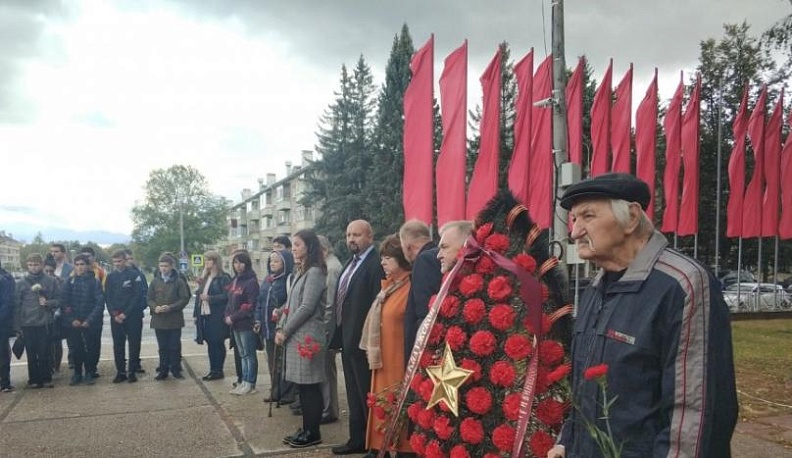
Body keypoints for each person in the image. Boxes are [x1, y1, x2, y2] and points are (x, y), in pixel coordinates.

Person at [548, 173, 738, 458]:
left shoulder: (682, 284)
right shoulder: (596, 287)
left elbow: (694, 413)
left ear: (632, 217)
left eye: (588, 216)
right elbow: (583, 386)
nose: (575, 232)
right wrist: (567, 440)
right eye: (575, 220)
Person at [330, 220, 385, 456]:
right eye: (348, 234)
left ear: (370, 237)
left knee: (366, 393)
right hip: (346, 339)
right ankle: (357, 439)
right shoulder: (349, 264)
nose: (351, 239)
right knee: (352, 391)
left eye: (357, 235)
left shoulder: (375, 265)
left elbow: (377, 304)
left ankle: (374, 445)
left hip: (363, 342)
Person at [360, 234, 413, 457]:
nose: (382, 262)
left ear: (401, 259)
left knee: (396, 408)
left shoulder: (409, 287)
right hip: (383, 361)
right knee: (382, 407)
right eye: (382, 258)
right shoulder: (388, 288)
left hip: (397, 362)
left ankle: (402, 450)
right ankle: (383, 448)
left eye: (388, 258)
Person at [277, 229, 327, 448]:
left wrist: (285, 331)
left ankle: (313, 432)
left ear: (309, 246)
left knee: (310, 386)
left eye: (297, 244)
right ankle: (307, 427)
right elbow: (292, 304)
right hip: (298, 335)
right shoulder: (302, 271)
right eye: (293, 245)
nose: (293, 248)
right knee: (303, 386)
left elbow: (307, 307)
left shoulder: (315, 272)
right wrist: (281, 317)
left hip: (307, 336)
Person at [14, 253, 60, 389]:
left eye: (36, 264)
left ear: (42, 265)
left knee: (45, 351)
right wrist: (17, 327)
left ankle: (46, 378)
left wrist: (48, 302)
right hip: (27, 323)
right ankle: (34, 379)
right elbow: (16, 305)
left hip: (44, 322)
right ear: (27, 266)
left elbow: (59, 300)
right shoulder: (21, 283)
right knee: (31, 353)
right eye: (30, 265)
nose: (33, 268)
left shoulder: (51, 281)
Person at [398, 220, 441, 361]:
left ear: (408, 247)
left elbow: (424, 310)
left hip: (425, 345)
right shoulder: (437, 254)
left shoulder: (424, 260)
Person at [60, 253, 104, 385]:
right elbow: (64, 302)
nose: (79, 267)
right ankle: (77, 373)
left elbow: (99, 303)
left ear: (88, 266)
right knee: (76, 348)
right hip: (74, 322)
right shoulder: (69, 282)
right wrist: (71, 319)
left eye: (82, 264)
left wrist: (89, 320)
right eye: (77, 264)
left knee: (92, 348)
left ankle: (90, 372)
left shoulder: (95, 282)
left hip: (90, 322)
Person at [255, 249, 294, 398]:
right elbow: (260, 301)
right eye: (271, 261)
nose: (272, 264)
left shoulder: (288, 279)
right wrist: (258, 319)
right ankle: (275, 390)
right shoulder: (267, 279)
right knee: (272, 362)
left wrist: (280, 311)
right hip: (267, 327)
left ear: (285, 263)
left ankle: (286, 393)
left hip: (281, 327)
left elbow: (290, 301)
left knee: (283, 362)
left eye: (276, 261)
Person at [147, 253, 191, 381]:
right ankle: (163, 370)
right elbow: (149, 298)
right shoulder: (155, 282)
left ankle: (176, 369)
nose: (163, 269)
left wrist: (171, 307)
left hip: (174, 319)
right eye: (161, 266)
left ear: (172, 266)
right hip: (159, 320)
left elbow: (184, 298)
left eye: (166, 266)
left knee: (174, 346)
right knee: (162, 347)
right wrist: (154, 307)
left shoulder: (178, 281)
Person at [105, 250, 144, 383]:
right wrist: (114, 314)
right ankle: (120, 371)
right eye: (115, 261)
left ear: (125, 261)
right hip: (116, 316)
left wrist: (125, 313)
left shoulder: (134, 275)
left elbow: (136, 296)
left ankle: (132, 371)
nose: (117, 264)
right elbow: (108, 297)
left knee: (134, 344)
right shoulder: (110, 277)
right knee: (118, 344)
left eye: (119, 261)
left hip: (132, 315)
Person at [225, 250, 260, 395]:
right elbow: (230, 301)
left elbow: (251, 305)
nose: (238, 266)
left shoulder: (251, 282)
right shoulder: (235, 280)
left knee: (249, 354)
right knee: (242, 354)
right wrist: (227, 315)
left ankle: (250, 383)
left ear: (247, 264)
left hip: (246, 324)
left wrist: (234, 317)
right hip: (235, 325)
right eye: (235, 262)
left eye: (241, 262)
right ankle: (243, 380)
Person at [194, 251, 232, 381]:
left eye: (209, 260)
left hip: (218, 314)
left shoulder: (224, 278)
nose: (206, 263)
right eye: (206, 260)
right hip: (206, 314)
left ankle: (218, 370)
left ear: (216, 262)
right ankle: (212, 369)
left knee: (217, 342)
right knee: (210, 343)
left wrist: (210, 298)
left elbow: (227, 296)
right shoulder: (206, 277)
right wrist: (196, 314)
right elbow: (198, 296)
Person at [318, 234, 341, 424]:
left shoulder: (331, 268)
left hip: (328, 326)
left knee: (326, 369)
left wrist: (325, 328)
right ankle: (326, 407)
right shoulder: (328, 265)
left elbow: (330, 303)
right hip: (328, 325)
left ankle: (330, 409)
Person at [78, 246, 105, 378]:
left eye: (88, 256)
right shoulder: (72, 277)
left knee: (93, 345)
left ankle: (91, 369)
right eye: (83, 255)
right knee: (78, 346)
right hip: (78, 318)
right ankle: (78, 370)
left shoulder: (99, 273)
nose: (86, 259)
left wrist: (91, 318)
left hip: (94, 317)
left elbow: (102, 296)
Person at [123, 249, 148, 374]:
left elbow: (145, 293)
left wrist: (141, 306)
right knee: (120, 342)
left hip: (136, 313)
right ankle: (122, 366)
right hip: (121, 314)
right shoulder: (116, 275)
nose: (129, 261)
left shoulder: (140, 275)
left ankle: (135, 363)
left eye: (131, 259)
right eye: (126, 259)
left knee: (135, 341)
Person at [0, 260, 14, 392]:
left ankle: (4, 382)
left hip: (1, 323)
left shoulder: (4, 280)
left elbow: (7, 302)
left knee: (2, 353)